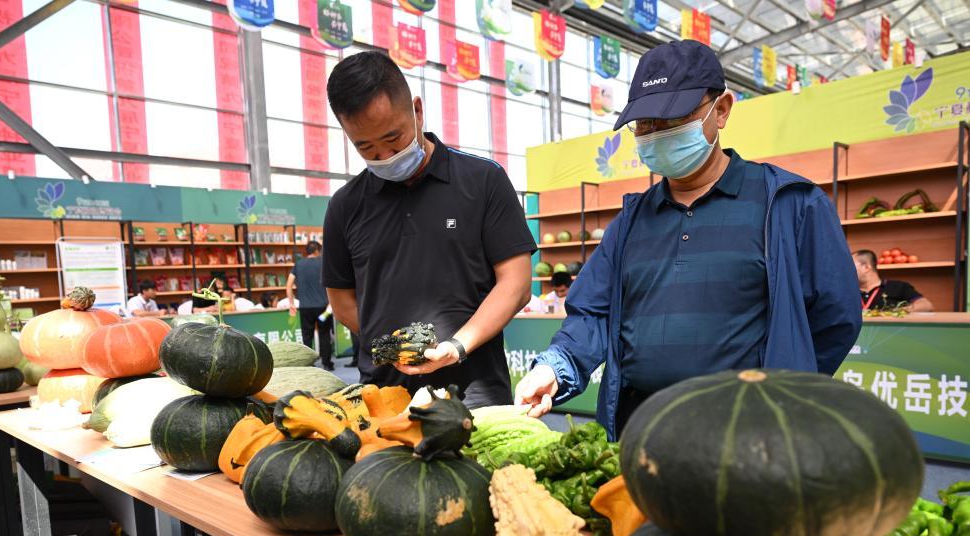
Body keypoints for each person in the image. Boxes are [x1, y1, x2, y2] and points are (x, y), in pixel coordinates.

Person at [514, 40, 861, 438]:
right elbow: (593, 312)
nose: (656, 134)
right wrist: (554, 367)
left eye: (673, 118)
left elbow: (836, 316)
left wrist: (786, 392)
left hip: (748, 431)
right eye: (645, 124)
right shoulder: (630, 221)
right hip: (640, 425)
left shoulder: (789, 204)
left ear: (723, 110)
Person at [322, 51, 536, 407]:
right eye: (366, 148)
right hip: (383, 398)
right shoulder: (345, 205)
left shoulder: (482, 181)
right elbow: (342, 301)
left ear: (417, 111)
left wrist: (457, 345)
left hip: (474, 394)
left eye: (394, 139)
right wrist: (393, 348)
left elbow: (516, 284)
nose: (384, 156)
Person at [288, 241, 335, 371]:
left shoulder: (298, 264)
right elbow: (332, 284)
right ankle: (327, 363)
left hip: (305, 307)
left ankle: (308, 364)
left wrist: (291, 303)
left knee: (307, 335)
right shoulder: (323, 263)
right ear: (316, 251)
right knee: (324, 334)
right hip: (323, 308)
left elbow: (289, 285)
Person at [852, 250, 933, 312]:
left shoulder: (899, 287)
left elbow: (926, 305)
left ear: (866, 267)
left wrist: (896, 312)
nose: (845, 270)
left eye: (850, 265)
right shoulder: (848, 291)